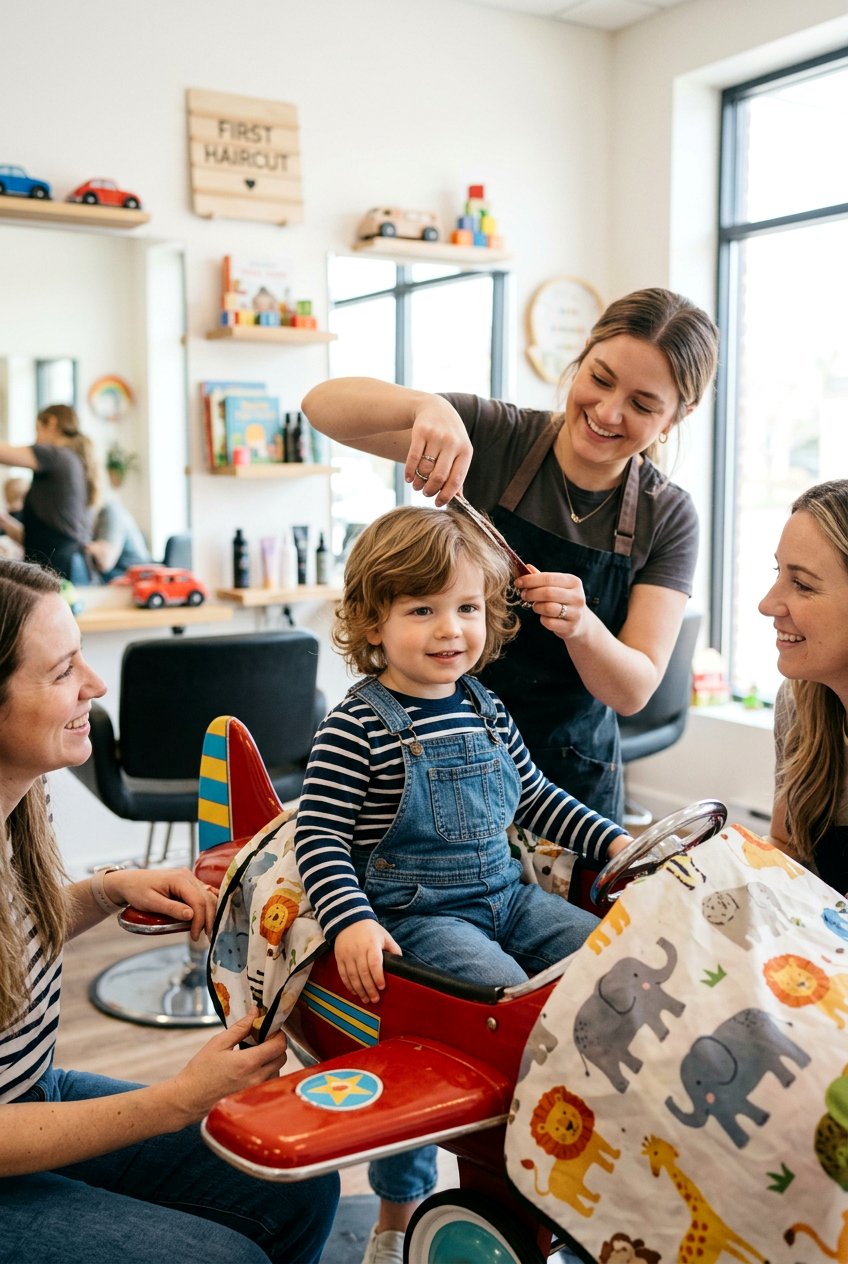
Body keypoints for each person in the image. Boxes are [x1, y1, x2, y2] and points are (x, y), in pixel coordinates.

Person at [294, 505, 631, 1264]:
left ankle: (589, 1167)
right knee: (508, 1008)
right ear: (371, 623)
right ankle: (398, 1217)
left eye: (468, 608)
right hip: (422, 920)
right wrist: (349, 921)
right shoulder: (356, 727)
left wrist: (614, 841)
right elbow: (318, 836)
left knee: (613, 963)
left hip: (507, 897)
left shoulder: (487, 705)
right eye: (423, 609)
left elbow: (537, 796)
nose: (452, 629)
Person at [0, 558, 339, 1264]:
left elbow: (8, 938)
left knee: (300, 1182)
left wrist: (105, 890)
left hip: (29, 1093)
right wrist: (176, 1101)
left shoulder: (18, 807)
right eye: (63, 672)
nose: (95, 689)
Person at [302, 288, 720, 825]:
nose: (608, 411)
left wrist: (583, 626)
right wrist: (426, 407)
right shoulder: (495, 437)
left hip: (569, 782)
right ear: (582, 355)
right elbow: (322, 406)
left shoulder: (668, 516)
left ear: (677, 416)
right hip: (440, 758)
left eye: (642, 405)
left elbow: (633, 690)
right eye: (600, 378)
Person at [758, 479, 848, 897]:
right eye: (779, 573)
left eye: (804, 585)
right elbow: (788, 849)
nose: (768, 604)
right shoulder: (799, 703)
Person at [0, 403, 97, 583]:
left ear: (52, 423)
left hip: (63, 567)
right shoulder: (70, 461)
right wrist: (5, 521)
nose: (36, 439)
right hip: (66, 565)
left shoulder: (55, 455)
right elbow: (36, 538)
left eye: (37, 429)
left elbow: (4, 453)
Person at [87, 493, 152, 582]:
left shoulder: (110, 511)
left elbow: (105, 561)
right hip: (122, 575)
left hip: (136, 577)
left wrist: (83, 545)